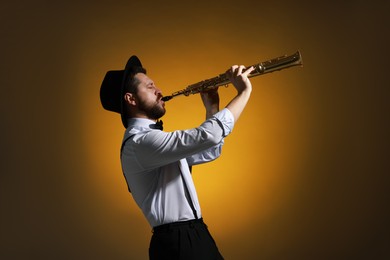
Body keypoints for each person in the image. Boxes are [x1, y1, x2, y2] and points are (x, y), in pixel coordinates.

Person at [100, 55, 254, 260]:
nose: (159, 91)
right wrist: (244, 92)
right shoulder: (139, 144)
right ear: (131, 99)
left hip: (196, 234)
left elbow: (209, 151)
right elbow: (209, 135)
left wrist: (212, 108)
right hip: (177, 243)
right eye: (150, 87)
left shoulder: (154, 142)